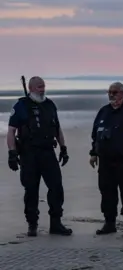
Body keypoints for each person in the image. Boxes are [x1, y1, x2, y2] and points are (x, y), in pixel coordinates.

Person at [6, 76, 72, 237]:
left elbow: (57, 128)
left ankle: (56, 223)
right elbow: (11, 131)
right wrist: (12, 153)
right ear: (30, 88)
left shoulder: (50, 105)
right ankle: (32, 224)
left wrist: (63, 148)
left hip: (48, 152)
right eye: (39, 87)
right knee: (31, 189)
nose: (42, 89)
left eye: (43, 86)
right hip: (29, 154)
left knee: (56, 187)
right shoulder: (21, 105)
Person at [89, 82, 123, 237]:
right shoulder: (103, 112)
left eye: (115, 92)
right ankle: (109, 223)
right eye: (109, 92)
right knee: (106, 193)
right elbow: (95, 135)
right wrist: (93, 153)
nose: (111, 95)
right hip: (105, 162)